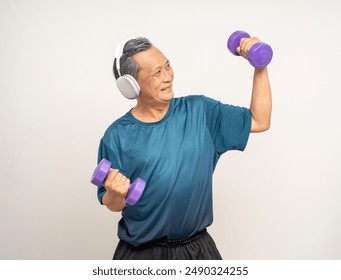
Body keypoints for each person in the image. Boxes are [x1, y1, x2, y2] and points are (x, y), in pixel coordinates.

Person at [96, 36, 272, 260]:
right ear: (131, 85)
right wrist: (114, 192)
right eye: (157, 72)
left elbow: (260, 120)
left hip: (197, 250)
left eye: (167, 66)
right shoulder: (116, 136)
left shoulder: (201, 111)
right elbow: (111, 204)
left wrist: (260, 67)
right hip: (141, 255)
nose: (168, 77)